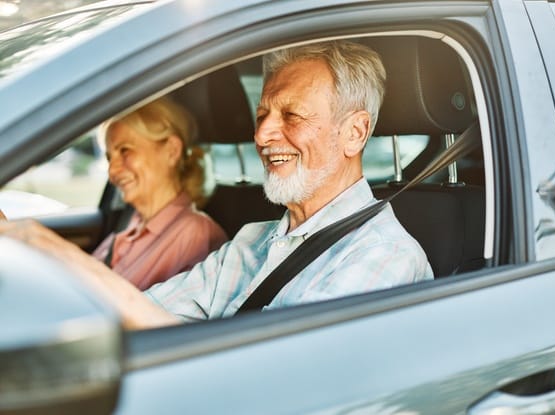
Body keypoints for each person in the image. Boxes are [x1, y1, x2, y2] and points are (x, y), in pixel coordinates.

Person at [0, 40, 433, 329]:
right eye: (262, 115)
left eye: (291, 115)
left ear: (355, 133)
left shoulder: (384, 258)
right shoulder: (253, 241)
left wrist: (45, 246)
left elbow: (272, 382)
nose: (262, 135)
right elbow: (146, 312)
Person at [92, 96, 228, 289]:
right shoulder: (132, 225)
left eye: (125, 151)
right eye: (109, 157)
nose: (112, 171)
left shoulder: (196, 234)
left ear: (172, 150)